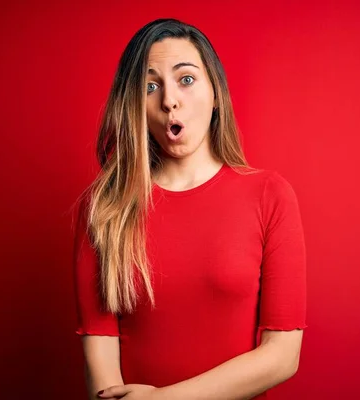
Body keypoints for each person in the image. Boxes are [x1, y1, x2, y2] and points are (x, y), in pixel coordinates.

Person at [72, 18, 307, 400]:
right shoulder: (104, 209)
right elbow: (101, 365)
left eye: (186, 79)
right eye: (150, 86)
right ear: (134, 105)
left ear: (215, 92)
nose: (168, 100)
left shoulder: (270, 195)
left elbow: (282, 355)